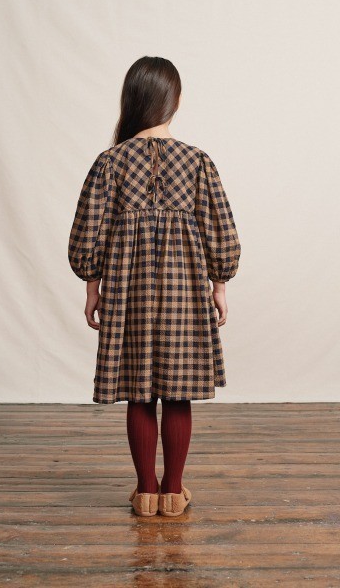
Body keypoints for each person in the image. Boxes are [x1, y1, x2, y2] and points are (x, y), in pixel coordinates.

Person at [68, 56, 241, 517]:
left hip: (129, 294)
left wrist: (92, 286)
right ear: (175, 101)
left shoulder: (110, 163)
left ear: (131, 100)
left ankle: (146, 491)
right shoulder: (197, 162)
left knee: (139, 389)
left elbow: (88, 232)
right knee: (178, 390)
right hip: (185, 293)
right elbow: (221, 230)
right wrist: (220, 283)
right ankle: (173, 491)